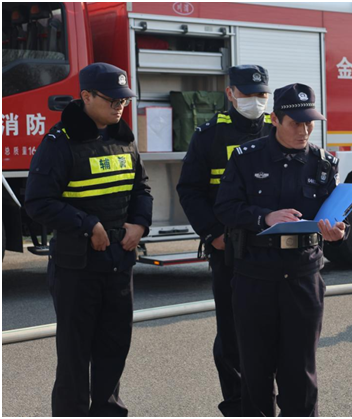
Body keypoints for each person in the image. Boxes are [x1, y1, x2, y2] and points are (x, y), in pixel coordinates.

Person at [24, 62, 152, 416]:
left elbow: (141, 189)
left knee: (114, 350)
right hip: (76, 266)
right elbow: (37, 202)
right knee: (75, 356)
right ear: (86, 97)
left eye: (123, 100)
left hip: (118, 263)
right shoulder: (58, 143)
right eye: (111, 100)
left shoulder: (123, 138)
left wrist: (140, 223)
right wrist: (86, 224)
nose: (119, 106)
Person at [214, 83, 346, 417]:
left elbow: (334, 217)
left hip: (303, 276)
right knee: (255, 371)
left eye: (310, 123)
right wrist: (264, 216)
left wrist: (336, 233)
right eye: (295, 123)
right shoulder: (246, 158)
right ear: (275, 119)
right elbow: (225, 208)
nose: (304, 130)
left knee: (300, 371)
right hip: (255, 274)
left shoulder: (324, 163)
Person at [177, 64, 273, 416]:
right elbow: (190, 191)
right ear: (230, 93)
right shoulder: (209, 136)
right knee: (232, 335)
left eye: (261, 94)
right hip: (229, 251)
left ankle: (267, 401)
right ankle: (236, 404)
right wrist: (212, 233)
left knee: (272, 333)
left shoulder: (279, 131)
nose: (254, 101)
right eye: (246, 94)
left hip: (274, 253)